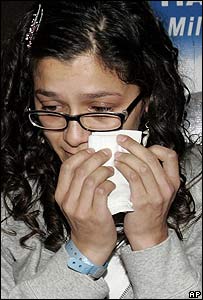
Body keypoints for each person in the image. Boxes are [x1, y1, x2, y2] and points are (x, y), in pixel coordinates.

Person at [1, 1, 202, 299]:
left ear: (148, 100)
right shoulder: (12, 203)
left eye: (100, 109)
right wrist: (83, 253)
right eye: (51, 107)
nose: (73, 136)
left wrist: (151, 241)